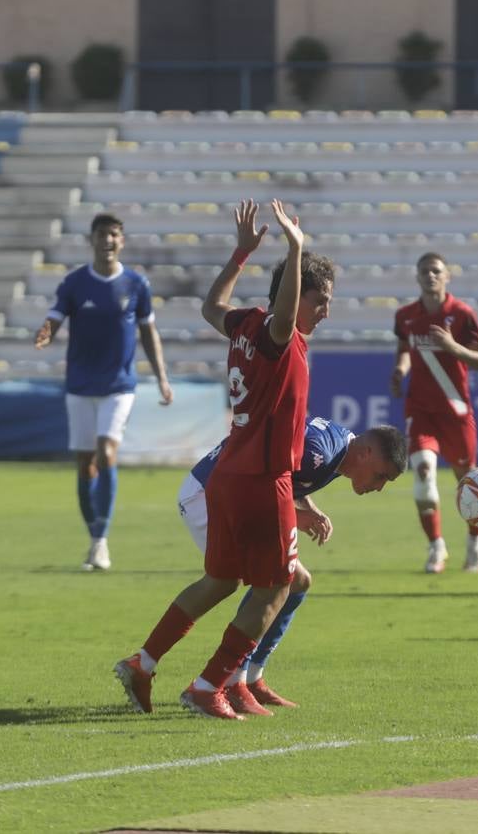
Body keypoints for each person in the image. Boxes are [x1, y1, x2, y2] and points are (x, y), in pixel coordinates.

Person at [114, 198, 335, 720]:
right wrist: (295, 245)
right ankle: (208, 685)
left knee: (221, 580)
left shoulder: (243, 324)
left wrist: (239, 255)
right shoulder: (279, 334)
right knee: (278, 585)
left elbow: (210, 307)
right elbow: (282, 312)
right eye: (320, 298)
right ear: (293, 294)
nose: (326, 308)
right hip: (263, 478)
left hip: (228, 473)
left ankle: (143, 662)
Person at [177, 416, 406, 710]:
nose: (379, 487)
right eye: (381, 476)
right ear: (366, 454)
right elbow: (265, 483)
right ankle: (215, 678)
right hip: (211, 496)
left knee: (294, 581)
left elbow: (291, 479)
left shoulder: (340, 452)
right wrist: (300, 517)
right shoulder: (319, 450)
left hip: (229, 496)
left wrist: (308, 507)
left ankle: (247, 677)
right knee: (251, 582)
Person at [34, 213, 173, 572]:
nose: (107, 241)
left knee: (107, 451)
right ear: (91, 240)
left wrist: (161, 377)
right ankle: (94, 536)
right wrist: (47, 330)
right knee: (85, 463)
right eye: (101, 235)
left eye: (114, 235)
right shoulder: (75, 284)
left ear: (121, 240)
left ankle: (102, 541)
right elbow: (55, 315)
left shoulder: (136, 284)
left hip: (119, 385)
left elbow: (148, 333)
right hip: (81, 385)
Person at [390, 252, 478, 574]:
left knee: (468, 482)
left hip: (456, 411)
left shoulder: (462, 315)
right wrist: (400, 369)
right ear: (417, 277)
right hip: (420, 410)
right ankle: (436, 547)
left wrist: (453, 348)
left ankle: (475, 541)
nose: (430, 276)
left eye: (436, 271)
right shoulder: (406, 316)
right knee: (422, 473)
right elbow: (405, 349)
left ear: (447, 276)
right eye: (424, 271)